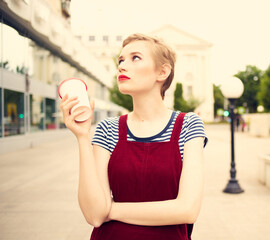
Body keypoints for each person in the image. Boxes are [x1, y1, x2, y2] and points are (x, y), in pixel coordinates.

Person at [60, 33, 208, 240]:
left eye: (135, 58)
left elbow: (188, 210)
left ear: (162, 72)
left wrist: (111, 210)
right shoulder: (107, 129)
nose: (121, 66)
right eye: (121, 60)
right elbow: (94, 215)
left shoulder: (188, 125)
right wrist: (83, 137)